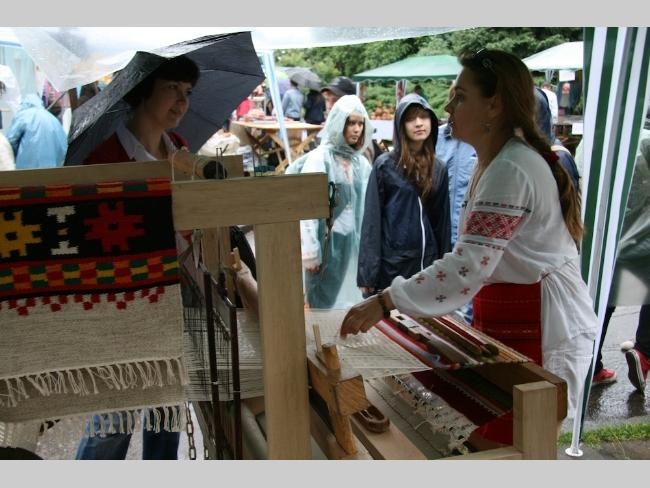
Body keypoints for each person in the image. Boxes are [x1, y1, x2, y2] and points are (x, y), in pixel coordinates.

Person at [340, 49, 598, 423]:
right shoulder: (496, 162)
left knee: (527, 434)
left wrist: (385, 301)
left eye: (460, 97)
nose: (447, 107)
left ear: (494, 106)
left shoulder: (511, 168)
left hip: (545, 324)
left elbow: (467, 265)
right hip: (518, 314)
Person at [75, 55, 200, 460]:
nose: (182, 101)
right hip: (125, 305)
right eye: (172, 88)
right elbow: (90, 241)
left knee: (167, 416)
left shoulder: (181, 150)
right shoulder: (105, 158)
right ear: (144, 90)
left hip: (178, 296)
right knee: (116, 418)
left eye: (187, 92)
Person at [357, 93, 451, 299]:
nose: (418, 123)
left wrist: (445, 271)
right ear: (401, 125)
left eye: (423, 117)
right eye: (410, 119)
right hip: (393, 264)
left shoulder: (439, 168)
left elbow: (442, 223)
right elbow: (372, 221)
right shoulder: (385, 166)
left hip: (427, 264)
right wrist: (367, 274)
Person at [289, 95, 373, 309]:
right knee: (321, 301)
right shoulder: (320, 158)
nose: (357, 129)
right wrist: (310, 251)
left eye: (360, 123)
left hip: (352, 244)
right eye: (351, 122)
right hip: (325, 244)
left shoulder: (361, 163)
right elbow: (307, 206)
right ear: (338, 123)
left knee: (349, 300)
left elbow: (369, 207)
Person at [591, 125, 650, 390]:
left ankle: (591, 364)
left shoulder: (597, 140)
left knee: (604, 302)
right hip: (643, 239)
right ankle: (644, 353)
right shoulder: (645, 143)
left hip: (607, 239)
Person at [436, 85, 478, 324]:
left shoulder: (482, 143)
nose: (449, 108)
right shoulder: (437, 138)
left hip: (471, 241)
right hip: (441, 239)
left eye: (460, 100)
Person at [6, 93, 67, 169]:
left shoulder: (23, 115)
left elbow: (11, 140)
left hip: (26, 167)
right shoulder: (54, 120)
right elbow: (63, 145)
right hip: (52, 168)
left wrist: (15, 157)